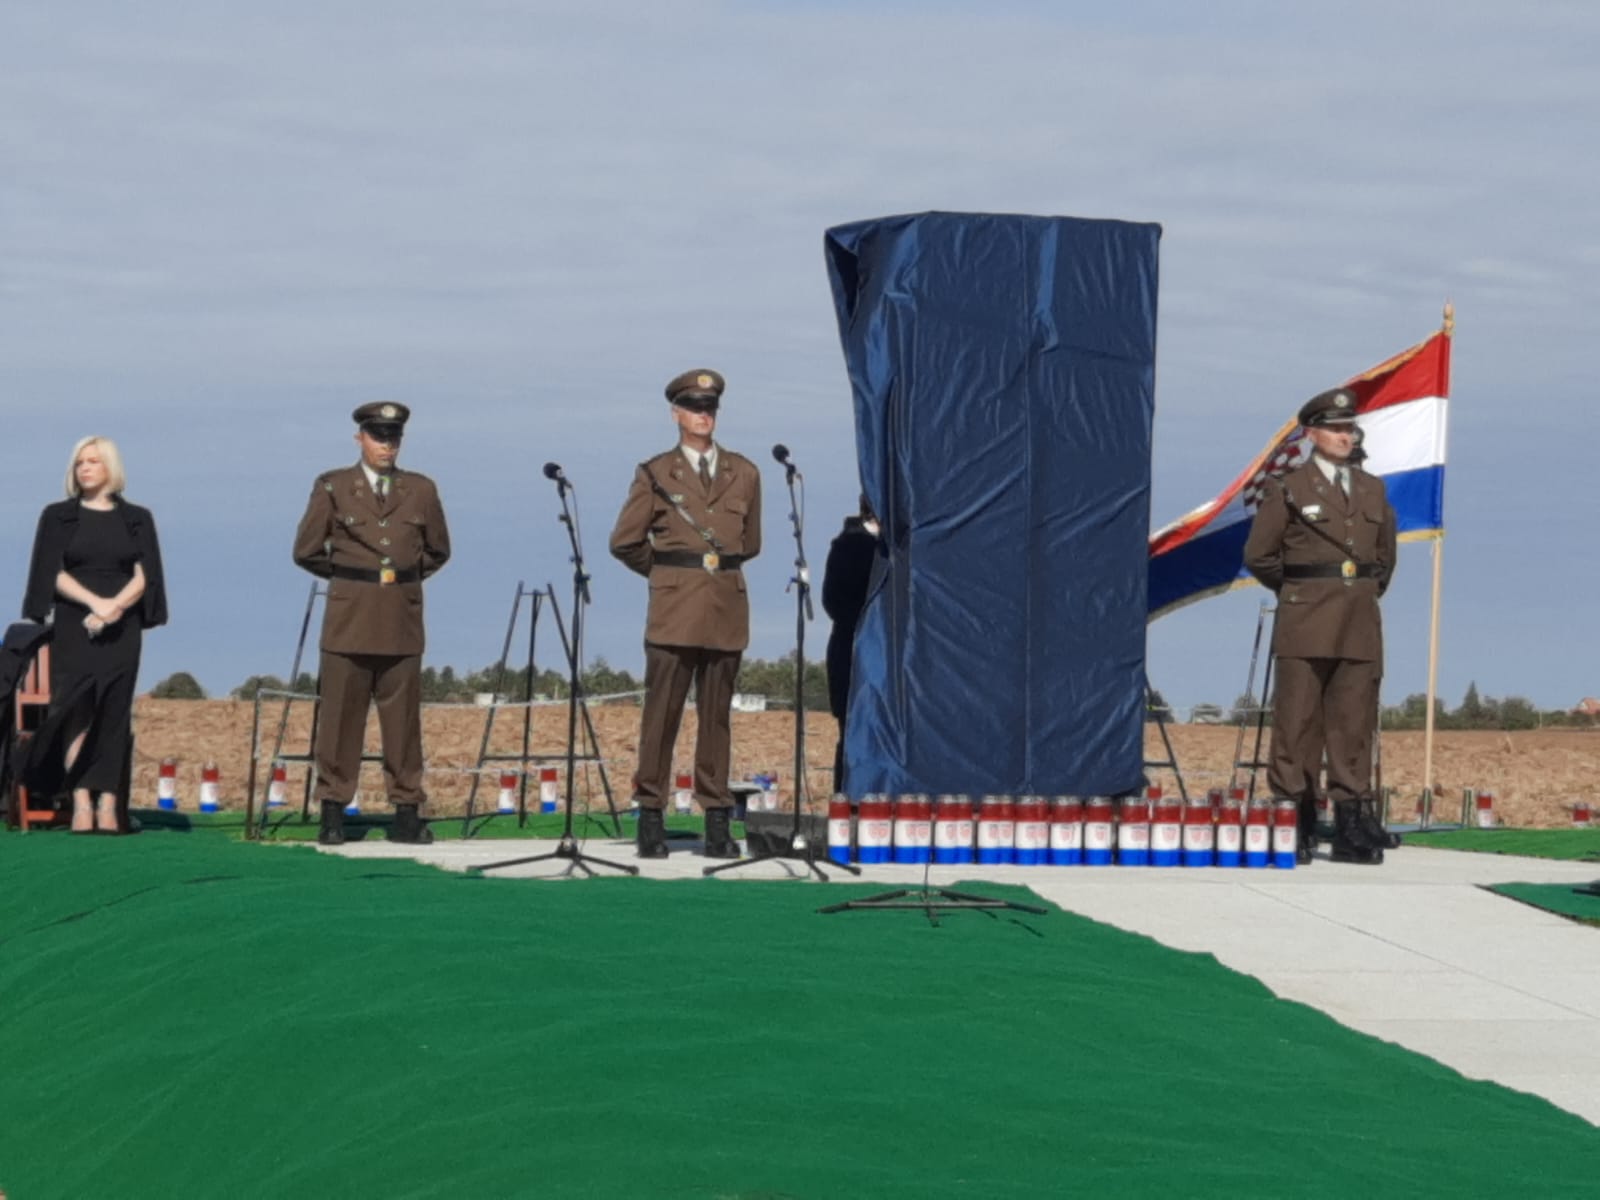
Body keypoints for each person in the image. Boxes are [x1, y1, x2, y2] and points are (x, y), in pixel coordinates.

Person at [609, 368, 762, 859]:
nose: (703, 415)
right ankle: (651, 814)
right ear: (676, 414)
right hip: (674, 610)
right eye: (694, 407)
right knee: (661, 717)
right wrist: (667, 574)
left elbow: (750, 543)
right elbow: (625, 541)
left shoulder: (745, 472)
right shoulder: (656, 473)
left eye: (709, 407)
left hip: (725, 608)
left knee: (716, 719)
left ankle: (717, 818)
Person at [1244, 387, 1396, 864]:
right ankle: (1296, 818)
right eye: (1335, 429)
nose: (1345, 436)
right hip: (1305, 617)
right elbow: (1260, 556)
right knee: (1298, 722)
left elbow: (1384, 559)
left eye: (1349, 428)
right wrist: (1300, 590)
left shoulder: (1372, 489)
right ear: (1312, 435)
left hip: (1358, 621)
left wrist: (1359, 592)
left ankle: (1352, 822)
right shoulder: (1289, 488)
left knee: (1354, 723)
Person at [293, 402, 450, 846]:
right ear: (359, 438)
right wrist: (351, 579)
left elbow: (438, 550)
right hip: (349, 619)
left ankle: (406, 812)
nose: (387, 445)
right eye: (379, 437)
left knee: (403, 725)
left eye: (393, 437)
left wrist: (400, 578)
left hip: (402, 617)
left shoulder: (420, 489)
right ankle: (332, 811)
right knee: (340, 722)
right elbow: (306, 550)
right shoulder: (333, 486)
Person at [22, 436, 168, 834]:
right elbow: (50, 571)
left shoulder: (137, 518)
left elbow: (146, 575)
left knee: (114, 714)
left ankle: (109, 805)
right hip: (74, 623)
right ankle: (81, 802)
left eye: (93, 461)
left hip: (123, 628)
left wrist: (115, 608)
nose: (84, 468)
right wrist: (95, 604)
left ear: (111, 467)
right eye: (79, 462)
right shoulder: (57, 516)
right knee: (76, 711)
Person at [821, 494, 879, 794]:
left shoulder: (900, 547)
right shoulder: (847, 545)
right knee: (852, 731)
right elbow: (833, 600)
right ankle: (848, 800)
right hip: (853, 651)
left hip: (889, 655)